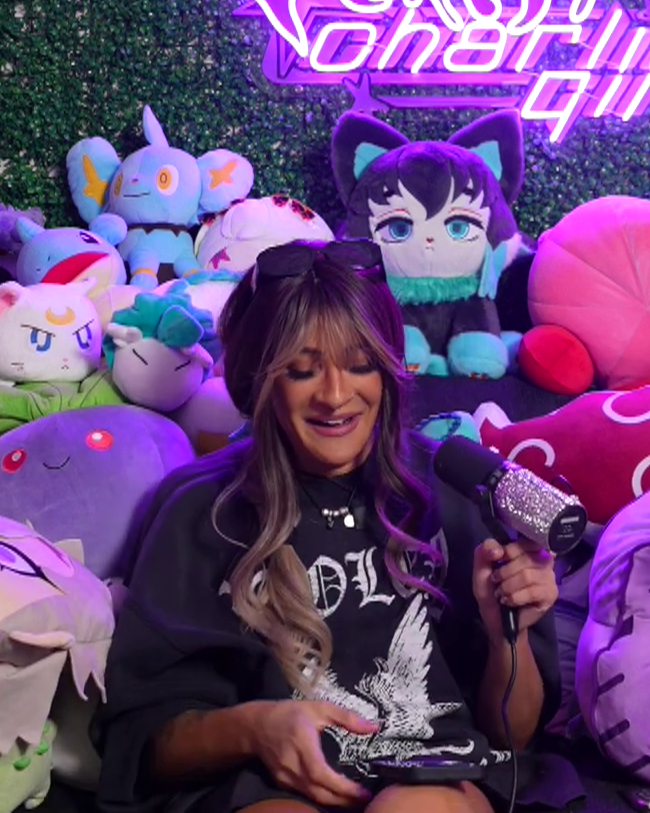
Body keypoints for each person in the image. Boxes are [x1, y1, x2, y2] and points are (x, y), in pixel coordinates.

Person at [95, 240, 561, 813]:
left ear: (388, 369)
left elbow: (513, 736)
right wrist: (254, 728)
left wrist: (506, 636)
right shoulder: (201, 509)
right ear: (260, 378)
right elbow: (141, 747)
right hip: (265, 784)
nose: (336, 396)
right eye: (302, 370)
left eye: (360, 364)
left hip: (436, 777)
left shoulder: (455, 489)